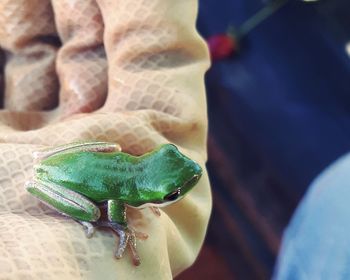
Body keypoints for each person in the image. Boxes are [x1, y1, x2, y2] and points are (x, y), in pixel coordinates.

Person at [0, 0, 211, 279]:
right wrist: (120, 227)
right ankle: (86, 219)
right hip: (60, 178)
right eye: (170, 195)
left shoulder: (134, 187)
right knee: (92, 211)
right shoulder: (128, 194)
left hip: (67, 163)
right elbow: (114, 203)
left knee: (112, 149)